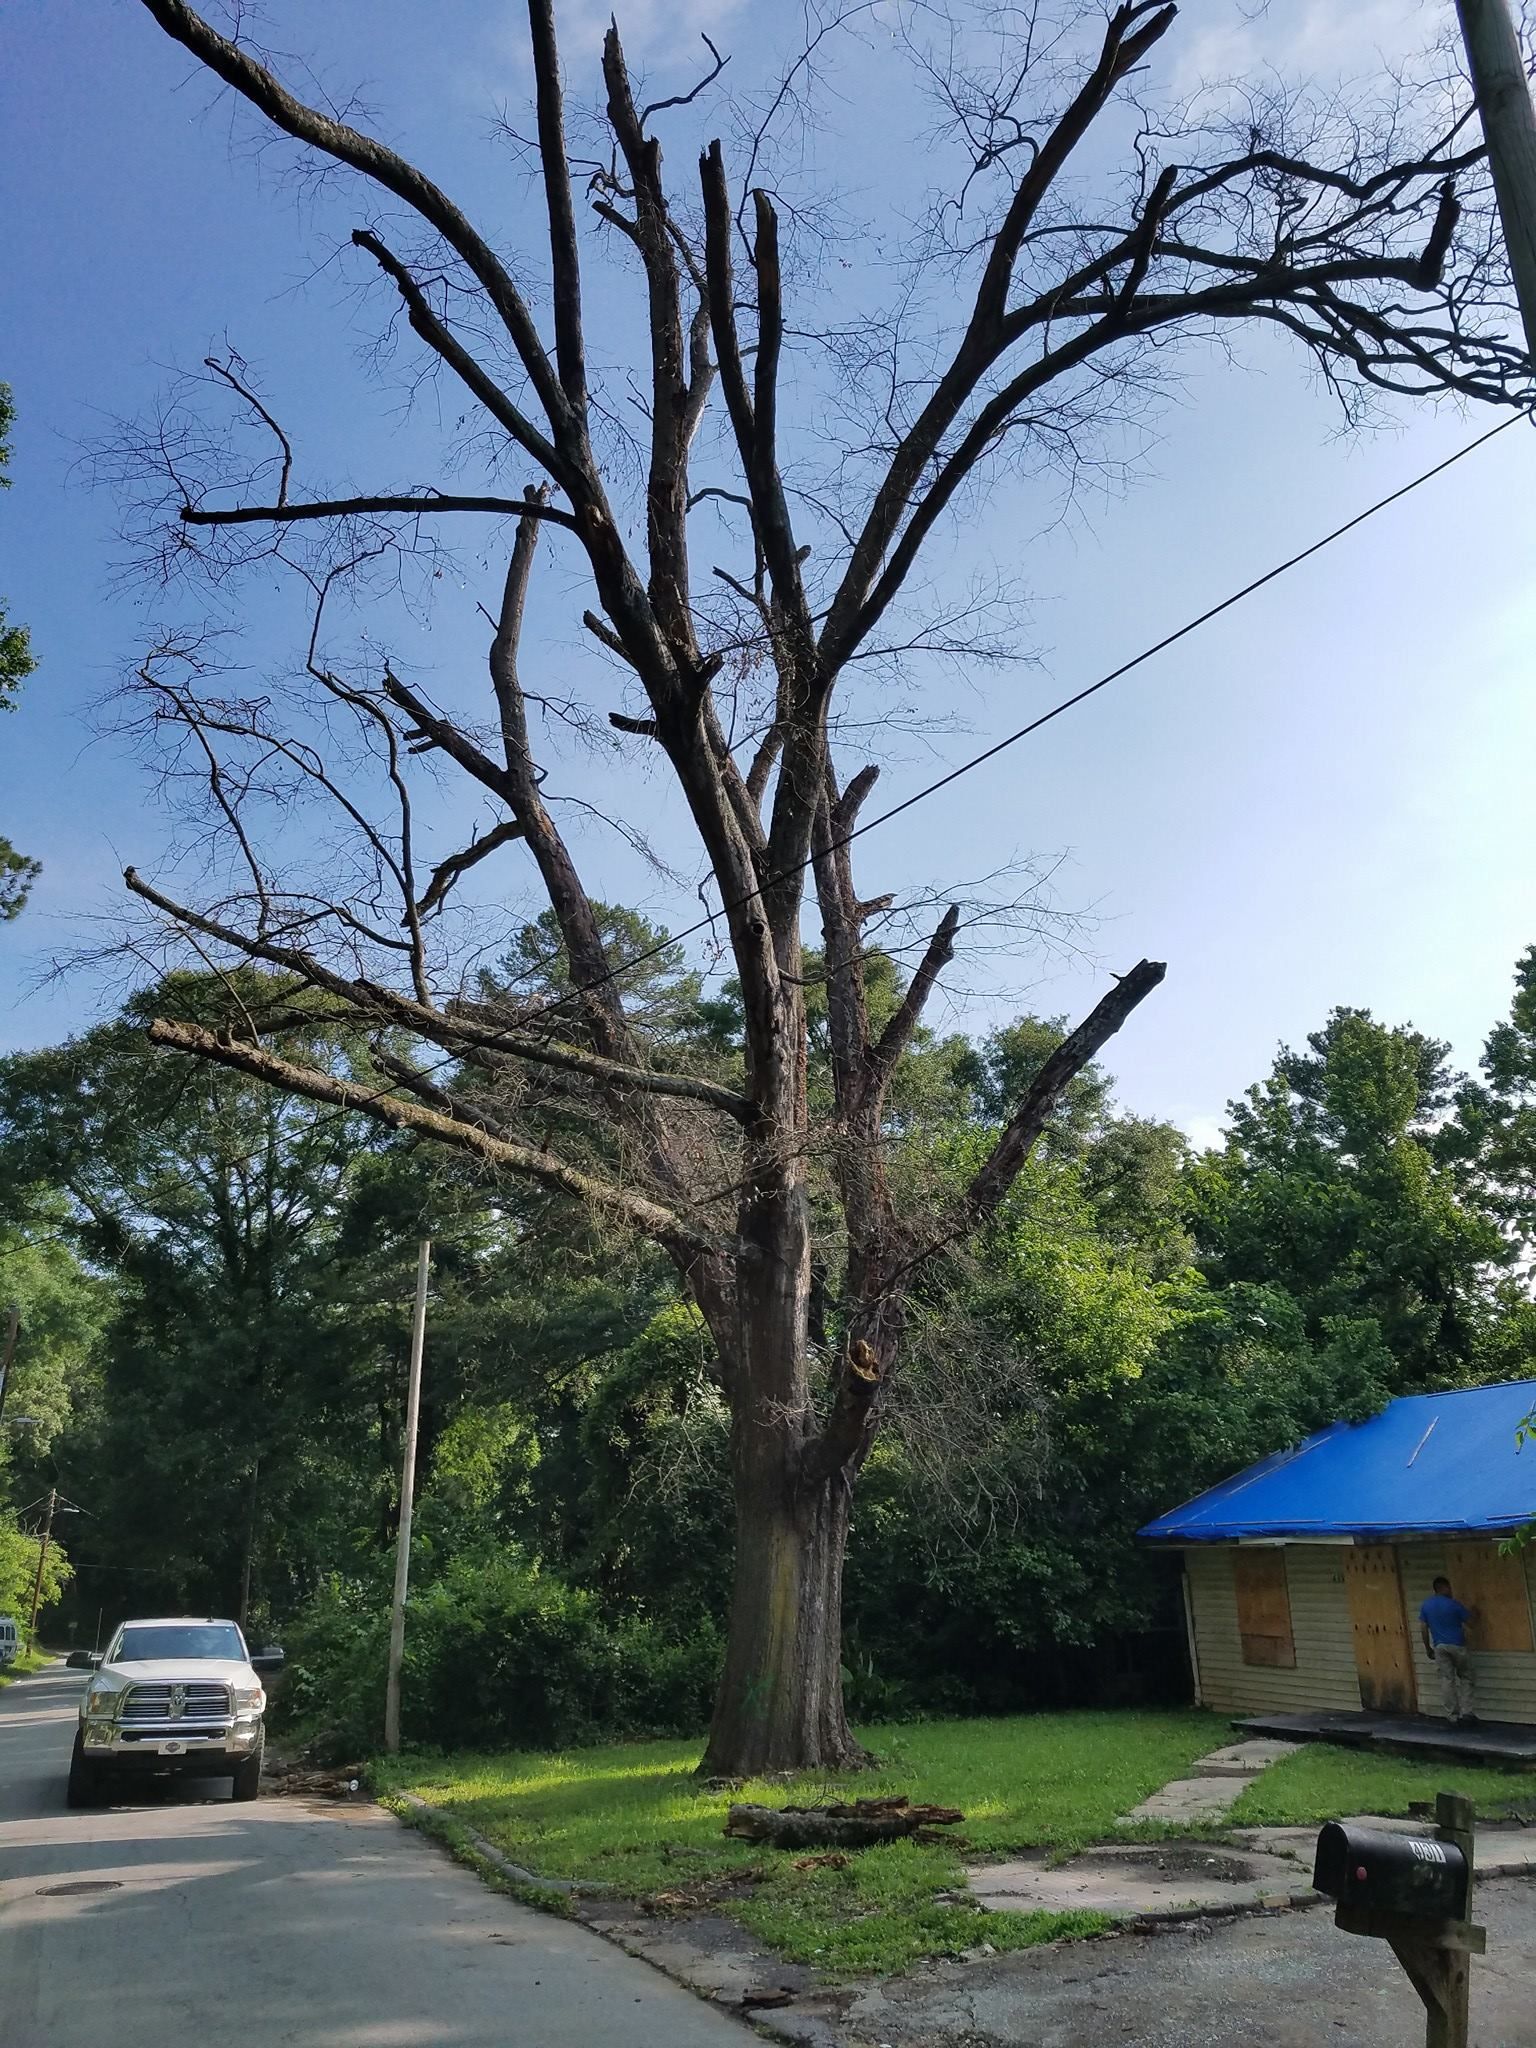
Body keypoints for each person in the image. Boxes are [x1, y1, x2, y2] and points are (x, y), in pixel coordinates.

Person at [1418, 1575, 1477, 1724]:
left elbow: (1423, 1628)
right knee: (1466, 1676)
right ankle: (1467, 1712)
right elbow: (1471, 1623)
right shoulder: (1453, 1605)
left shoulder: (1426, 1606)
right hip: (1457, 1644)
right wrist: (1474, 1613)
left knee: (1447, 1679)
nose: (1451, 1590)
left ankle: (1452, 1715)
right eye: (1449, 1587)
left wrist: (1427, 1648)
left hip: (1439, 1646)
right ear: (1443, 1587)